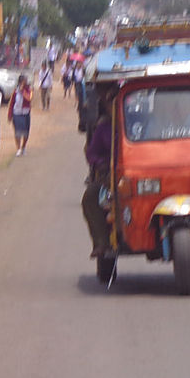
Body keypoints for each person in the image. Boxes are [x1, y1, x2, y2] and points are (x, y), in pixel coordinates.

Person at [82, 88, 115, 257]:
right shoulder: (104, 128)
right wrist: (101, 164)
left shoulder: (144, 122)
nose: (113, 105)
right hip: (111, 175)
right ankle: (102, 242)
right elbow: (91, 153)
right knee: (90, 197)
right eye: (111, 101)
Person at [8, 74, 33, 156]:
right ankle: (18, 148)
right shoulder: (15, 92)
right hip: (17, 113)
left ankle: (23, 147)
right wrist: (10, 114)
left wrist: (23, 91)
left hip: (26, 113)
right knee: (18, 131)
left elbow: (29, 98)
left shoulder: (29, 90)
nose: (25, 82)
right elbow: (12, 103)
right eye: (24, 81)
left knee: (26, 132)